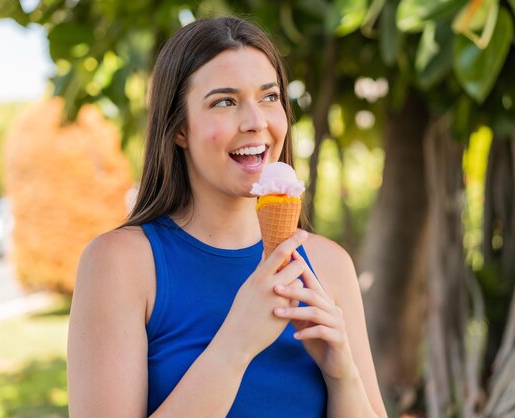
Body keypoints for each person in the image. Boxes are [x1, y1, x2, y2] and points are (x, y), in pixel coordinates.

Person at [67, 16, 387, 418]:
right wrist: (236, 344)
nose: (257, 122)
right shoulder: (121, 264)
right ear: (179, 127)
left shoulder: (329, 265)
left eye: (269, 97)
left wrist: (343, 375)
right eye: (225, 101)